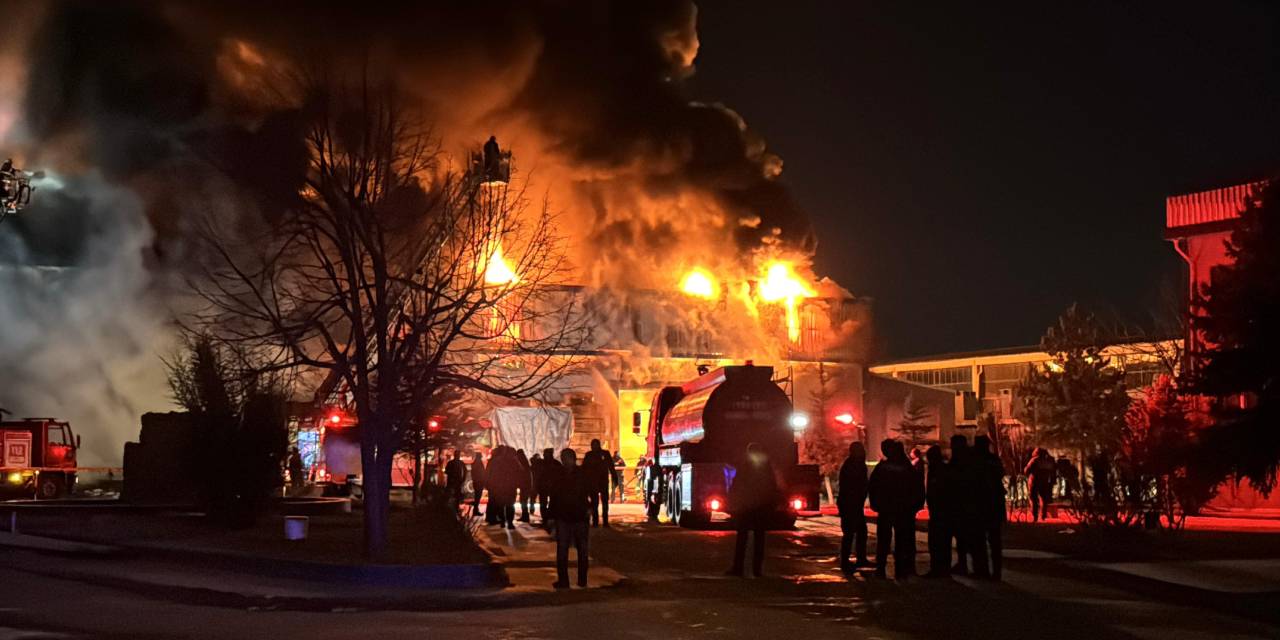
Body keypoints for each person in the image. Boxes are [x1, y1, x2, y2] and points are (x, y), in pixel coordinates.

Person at [868, 439, 925, 579]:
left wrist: (875, 503)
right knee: (901, 540)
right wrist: (916, 504)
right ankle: (900, 570)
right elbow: (917, 486)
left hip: (887, 508)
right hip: (903, 509)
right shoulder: (907, 467)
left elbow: (873, 486)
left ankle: (881, 569)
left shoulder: (883, 467)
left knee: (884, 540)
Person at [727, 443, 780, 578]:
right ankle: (757, 570)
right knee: (759, 539)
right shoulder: (766, 466)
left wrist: (733, 502)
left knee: (742, 538)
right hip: (761, 507)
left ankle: (738, 568)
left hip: (746, 507)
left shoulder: (745, 466)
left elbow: (737, 484)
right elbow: (772, 485)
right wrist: (771, 504)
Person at [549, 448, 591, 589]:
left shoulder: (580, 474)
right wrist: (551, 515)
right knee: (564, 549)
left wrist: (589, 508)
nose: (564, 461)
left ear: (572, 459)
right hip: (565, 515)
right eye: (563, 458)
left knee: (580, 550)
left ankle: (581, 579)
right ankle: (564, 580)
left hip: (578, 515)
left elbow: (590, 491)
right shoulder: (560, 474)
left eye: (566, 458)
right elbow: (554, 495)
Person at [971, 435, 1007, 580]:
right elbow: (1000, 474)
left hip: (981, 505)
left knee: (979, 539)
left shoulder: (976, 461)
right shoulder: (993, 460)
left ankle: (982, 570)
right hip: (994, 505)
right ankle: (995, 572)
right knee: (994, 540)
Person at [837, 441, 870, 572]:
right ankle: (847, 561)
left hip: (851, 503)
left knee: (857, 532)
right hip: (850, 503)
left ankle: (856, 559)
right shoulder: (854, 465)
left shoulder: (852, 464)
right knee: (851, 532)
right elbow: (855, 485)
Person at [923, 445, 956, 577]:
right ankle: (943, 568)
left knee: (937, 541)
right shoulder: (944, 469)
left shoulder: (937, 471)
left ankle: (938, 568)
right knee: (943, 542)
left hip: (939, 512)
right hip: (942, 511)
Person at [948, 434, 976, 575]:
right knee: (964, 536)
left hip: (962, 504)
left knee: (963, 536)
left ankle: (965, 564)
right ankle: (966, 564)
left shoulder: (959, 460)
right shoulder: (970, 458)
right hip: (966, 503)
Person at [581, 439, 617, 527]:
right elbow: (584, 468)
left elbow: (611, 466)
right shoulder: (589, 455)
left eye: (595, 445)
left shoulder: (605, 454)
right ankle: (595, 521)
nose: (594, 447)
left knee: (604, 502)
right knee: (594, 503)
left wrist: (614, 478)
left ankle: (605, 521)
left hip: (602, 481)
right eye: (593, 445)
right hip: (593, 482)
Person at [487, 446, 521, 529]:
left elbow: (491, 473)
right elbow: (520, 472)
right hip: (511, 487)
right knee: (510, 505)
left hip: (500, 486)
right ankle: (510, 523)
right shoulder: (513, 461)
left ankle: (503, 521)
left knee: (501, 504)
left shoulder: (496, 461)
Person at [1024, 447, 1057, 522]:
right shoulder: (1049, 461)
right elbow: (1053, 472)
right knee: (1043, 499)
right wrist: (1052, 481)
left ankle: (1035, 516)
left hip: (1034, 481)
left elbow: (1027, 470)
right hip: (1045, 482)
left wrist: (1026, 471)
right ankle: (1043, 516)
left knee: (1033, 499)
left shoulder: (1034, 460)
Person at [516, 449, 533, 523]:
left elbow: (523, 475)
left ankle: (525, 516)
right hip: (526, 485)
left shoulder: (523, 464)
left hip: (525, 486)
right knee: (523, 501)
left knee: (523, 501)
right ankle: (524, 515)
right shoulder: (525, 463)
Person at [470, 453, 487, 518]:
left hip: (476, 482)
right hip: (479, 482)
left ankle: (475, 510)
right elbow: (482, 473)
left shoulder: (475, 463)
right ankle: (475, 510)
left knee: (477, 497)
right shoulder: (479, 463)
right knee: (478, 497)